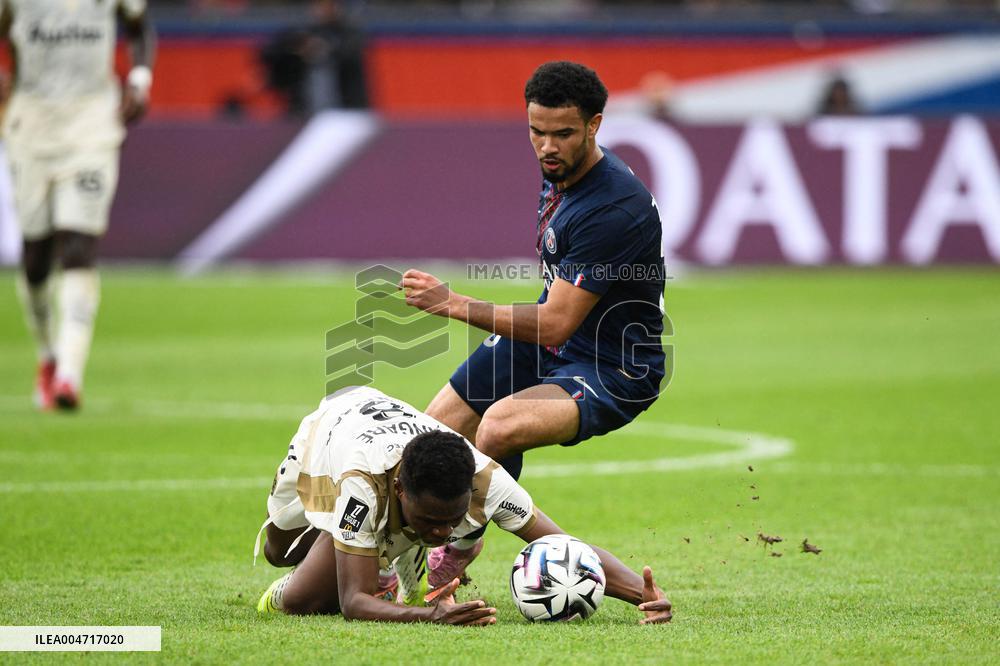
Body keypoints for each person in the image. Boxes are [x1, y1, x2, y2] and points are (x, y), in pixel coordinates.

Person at [400, 61, 666, 588]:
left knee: (499, 426)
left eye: (563, 134)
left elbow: (555, 324)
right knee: (435, 430)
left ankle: (456, 553)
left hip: (615, 364)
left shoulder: (614, 207)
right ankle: (395, 554)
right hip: (554, 339)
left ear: (594, 126)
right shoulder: (562, 172)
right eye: (536, 132)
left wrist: (453, 303)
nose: (547, 147)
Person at [254, 385, 673, 625]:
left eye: (451, 522)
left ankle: (383, 555)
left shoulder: (486, 480)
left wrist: (643, 593)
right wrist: (430, 617)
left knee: (300, 601)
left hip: (378, 464)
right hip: (328, 434)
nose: (441, 533)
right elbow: (354, 602)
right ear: (401, 490)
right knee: (280, 552)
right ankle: (379, 553)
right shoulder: (363, 485)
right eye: (431, 521)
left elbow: (566, 545)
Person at [0, 0, 156, 410]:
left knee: (77, 247)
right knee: (35, 258)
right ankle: (48, 354)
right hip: (30, 126)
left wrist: (139, 80)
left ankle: (69, 373)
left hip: (92, 128)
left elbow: (139, 24)